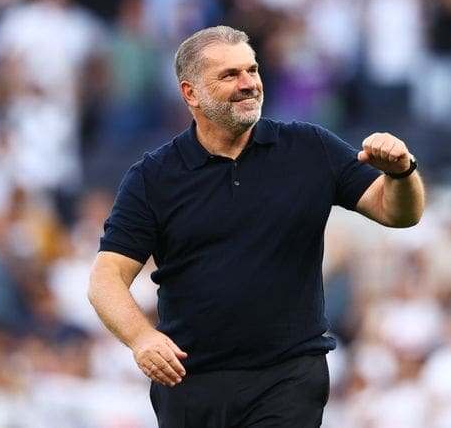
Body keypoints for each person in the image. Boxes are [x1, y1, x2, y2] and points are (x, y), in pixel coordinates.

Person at [88, 25, 425, 428]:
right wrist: (141, 338)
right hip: (189, 381)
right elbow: (105, 278)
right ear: (190, 93)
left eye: (252, 70)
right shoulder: (153, 177)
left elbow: (398, 213)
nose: (249, 84)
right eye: (230, 75)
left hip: (288, 375)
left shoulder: (308, 147)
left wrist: (402, 173)